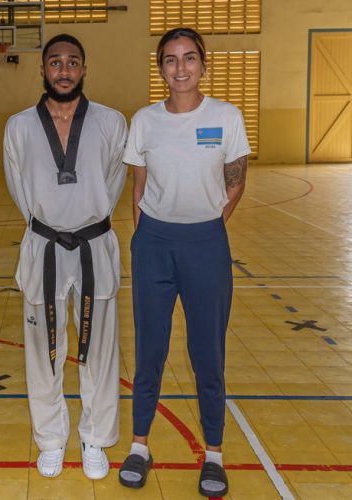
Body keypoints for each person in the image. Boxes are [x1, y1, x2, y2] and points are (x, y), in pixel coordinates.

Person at [118, 27, 250, 497]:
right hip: (153, 242)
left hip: (206, 245)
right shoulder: (145, 121)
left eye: (189, 58)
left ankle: (213, 453)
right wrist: (144, 236)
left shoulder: (227, 116)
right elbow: (137, 185)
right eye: (170, 60)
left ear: (203, 64)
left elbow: (236, 179)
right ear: (160, 69)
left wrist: (212, 223)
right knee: (150, 350)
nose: (180, 68)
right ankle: (140, 445)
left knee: (206, 354)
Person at [4, 34, 127, 481]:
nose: (64, 70)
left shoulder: (112, 122)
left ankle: (94, 437)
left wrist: (86, 220)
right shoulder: (18, 126)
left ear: (84, 69)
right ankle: (52, 440)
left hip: (95, 244)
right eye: (55, 62)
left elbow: (114, 182)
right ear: (42, 70)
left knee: (99, 350)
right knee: (43, 351)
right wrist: (50, 224)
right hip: (44, 245)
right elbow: (18, 187)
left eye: (72, 62)